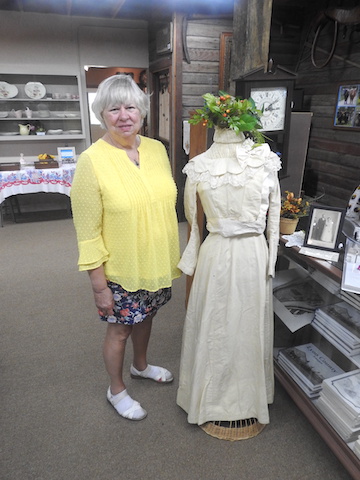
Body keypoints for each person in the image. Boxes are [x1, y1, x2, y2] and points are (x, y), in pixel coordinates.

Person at [71, 74, 181, 421]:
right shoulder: (92, 161)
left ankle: (141, 366)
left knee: (147, 317)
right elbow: (87, 230)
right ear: (101, 115)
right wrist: (98, 285)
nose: (123, 115)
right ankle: (116, 389)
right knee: (120, 329)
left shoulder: (157, 149)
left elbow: (163, 203)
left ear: (142, 112)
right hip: (119, 268)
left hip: (154, 262)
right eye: (113, 109)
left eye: (130, 107)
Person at [176, 93, 281, 437]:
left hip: (240, 251)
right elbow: (193, 218)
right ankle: (209, 399)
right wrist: (271, 256)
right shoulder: (201, 164)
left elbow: (275, 214)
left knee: (244, 326)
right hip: (230, 251)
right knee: (217, 325)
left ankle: (248, 399)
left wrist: (272, 258)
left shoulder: (263, 159)